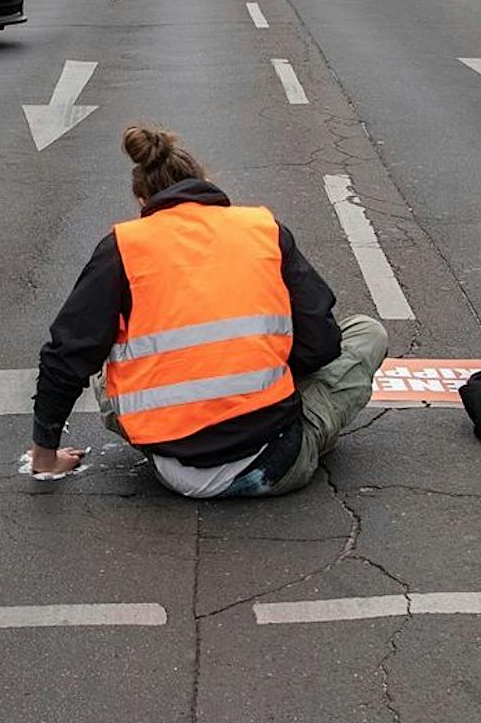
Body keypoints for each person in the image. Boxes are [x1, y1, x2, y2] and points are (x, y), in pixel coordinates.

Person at [29, 123, 388, 498]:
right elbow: (322, 342)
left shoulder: (123, 247)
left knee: (111, 365)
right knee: (366, 333)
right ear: (206, 184)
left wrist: (45, 456)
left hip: (173, 468)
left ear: (142, 201)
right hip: (271, 462)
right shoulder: (264, 230)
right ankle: (302, 431)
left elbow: (66, 354)